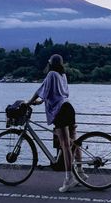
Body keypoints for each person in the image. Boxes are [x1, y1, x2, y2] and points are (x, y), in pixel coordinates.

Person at [27, 53, 82, 193]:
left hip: (60, 111)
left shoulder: (51, 74)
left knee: (65, 145)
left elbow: (40, 90)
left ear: (51, 63)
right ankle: (80, 172)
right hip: (69, 107)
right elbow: (56, 93)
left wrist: (28, 102)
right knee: (73, 142)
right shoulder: (63, 75)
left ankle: (69, 179)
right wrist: (41, 102)